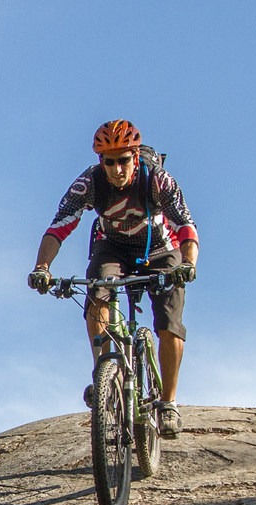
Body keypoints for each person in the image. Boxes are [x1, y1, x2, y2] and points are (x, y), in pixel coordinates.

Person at [28, 119, 199, 437]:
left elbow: (185, 224)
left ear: (135, 156)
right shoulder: (90, 183)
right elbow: (59, 226)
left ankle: (168, 403)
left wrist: (188, 263)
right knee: (97, 298)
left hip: (160, 249)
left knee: (169, 324)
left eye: (123, 160)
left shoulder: (157, 180)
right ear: (100, 162)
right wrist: (42, 268)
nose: (117, 169)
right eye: (110, 162)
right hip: (112, 248)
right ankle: (103, 374)